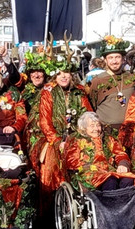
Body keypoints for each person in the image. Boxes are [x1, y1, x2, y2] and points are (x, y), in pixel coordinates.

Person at [35, 53, 93, 204]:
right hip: (54, 138)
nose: (64, 76)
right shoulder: (48, 92)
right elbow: (45, 121)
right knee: (49, 171)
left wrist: (85, 135)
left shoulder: (79, 91)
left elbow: (88, 115)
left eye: (66, 72)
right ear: (55, 74)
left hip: (76, 137)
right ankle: (51, 208)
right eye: (60, 73)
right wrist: (57, 140)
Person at [65, 112, 135, 191]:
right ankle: (109, 202)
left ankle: (125, 202)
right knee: (110, 181)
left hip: (110, 171)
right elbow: (71, 161)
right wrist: (90, 168)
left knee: (128, 180)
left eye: (98, 125)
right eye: (92, 126)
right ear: (84, 128)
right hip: (88, 173)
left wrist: (123, 164)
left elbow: (120, 153)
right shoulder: (76, 140)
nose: (96, 129)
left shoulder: (108, 139)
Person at [87, 36, 135, 137]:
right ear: (105, 60)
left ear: (123, 59)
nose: (114, 61)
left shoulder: (132, 78)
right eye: (110, 58)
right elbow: (91, 105)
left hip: (128, 131)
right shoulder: (97, 81)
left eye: (117, 57)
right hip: (106, 131)